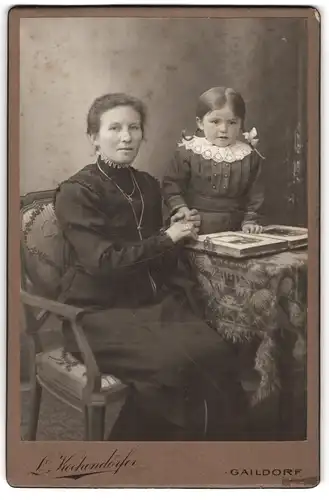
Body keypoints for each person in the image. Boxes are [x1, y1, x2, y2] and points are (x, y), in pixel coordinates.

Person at [54, 92, 248, 441]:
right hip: (96, 314)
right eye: (114, 128)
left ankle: (190, 455)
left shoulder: (145, 184)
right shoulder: (76, 191)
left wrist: (179, 222)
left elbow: (157, 248)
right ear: (94, 137)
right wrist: (167, 238)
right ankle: (137, 458)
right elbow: (102, 262)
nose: (126, 137)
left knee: (215, 350)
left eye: (134, 127)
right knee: (176, 365)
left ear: (143, 134)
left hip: (149, 305)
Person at [162, 86, 265, 235]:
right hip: (196, 226)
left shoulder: (249, 156)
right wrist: (182, 210)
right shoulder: (188, 152)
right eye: (215, 121)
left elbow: (256, 195)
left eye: (232, 122)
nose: (224, 128)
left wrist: (250, 221)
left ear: (241, 123)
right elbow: (171, 186)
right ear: (200, 123)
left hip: (237, 227)